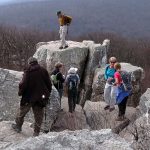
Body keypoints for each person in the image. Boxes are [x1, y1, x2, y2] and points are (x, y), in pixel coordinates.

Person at [12, 57, 52, 136]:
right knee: (39, 116)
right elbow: (49, 84)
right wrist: (47, 93)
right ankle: (36, 133)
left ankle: (18, 127)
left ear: (29, 63)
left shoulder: (28, 71)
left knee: (21, 113)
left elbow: (23, 84)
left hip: (28, 97)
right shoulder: (43, 70)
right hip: (40, 97)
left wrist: (20, 92)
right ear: (36, 62)